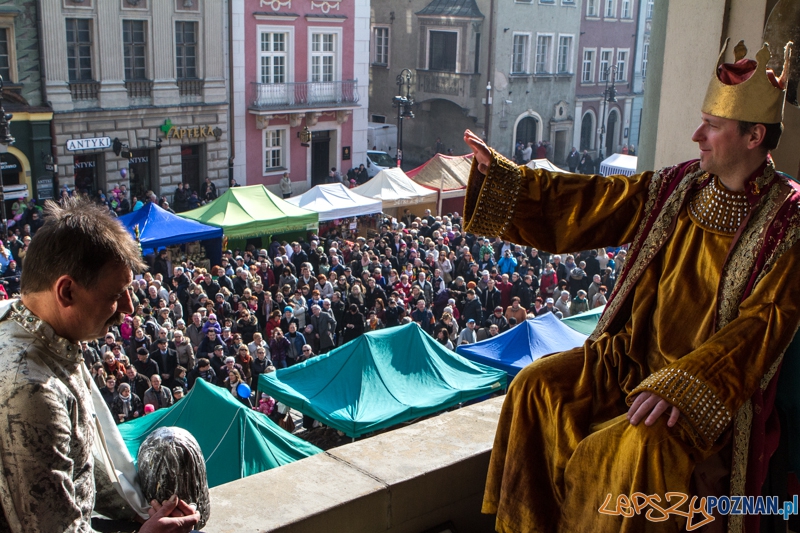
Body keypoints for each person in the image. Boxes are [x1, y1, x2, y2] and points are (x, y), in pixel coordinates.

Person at [463, 39, 800, 532]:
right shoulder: (681, 185)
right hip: (630, 361)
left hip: (708, 392)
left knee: (631, 447)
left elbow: (765, 323)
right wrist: (510, 182)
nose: (697, 134)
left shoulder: (787, 219)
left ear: (754, 138)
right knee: (534, 387)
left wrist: (684, 384)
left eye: (713, 125)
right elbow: (599, 200)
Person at [0, 198, 200, 531]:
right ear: (66, 292)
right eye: (116, 293)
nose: (129, 307)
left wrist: (133, 513)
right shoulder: (32, 391)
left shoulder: (35, 328)